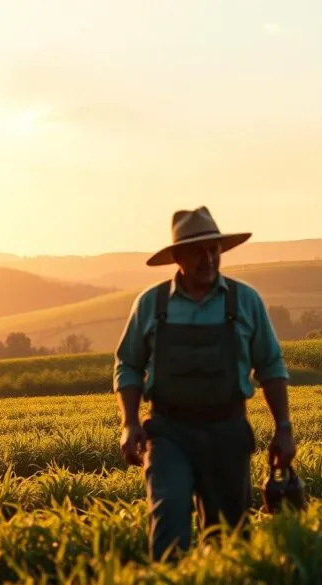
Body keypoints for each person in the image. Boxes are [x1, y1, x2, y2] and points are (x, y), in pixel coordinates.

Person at [113, 206, 297, 561]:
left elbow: (270, 365)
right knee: (169, 519)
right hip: (169, 431)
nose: (209, 258)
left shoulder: (245, 300)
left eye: (214, 249)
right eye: (198, 250)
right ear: (177, 257)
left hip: (227, 430)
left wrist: (283, 427)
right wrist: (130, 422)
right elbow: (129, 365)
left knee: (231, 540)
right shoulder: (152, 305)